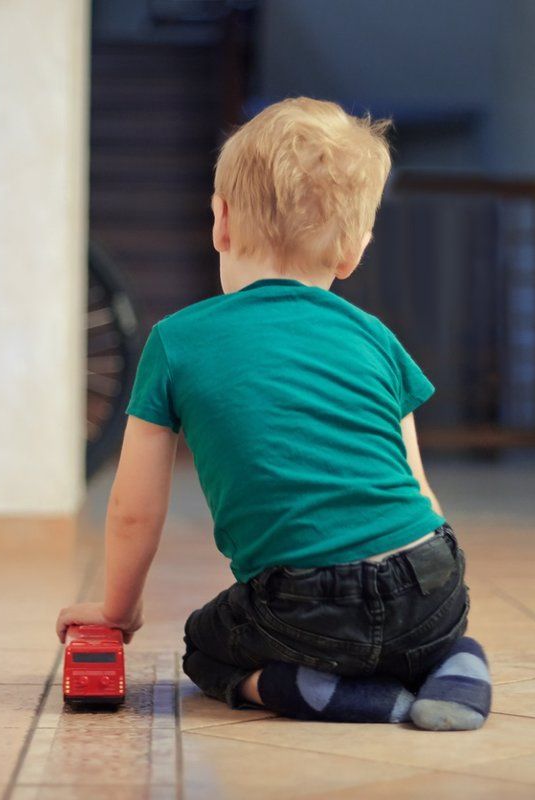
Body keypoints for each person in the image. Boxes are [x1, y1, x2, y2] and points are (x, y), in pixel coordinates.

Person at [56, 97, 491, 730]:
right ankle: (454, 663)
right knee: (431, 634)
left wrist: (117, 611)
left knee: (206, 646)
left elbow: (133, 509)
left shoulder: (177, 342)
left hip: (302, 605)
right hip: (430, 582)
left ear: (220, 222)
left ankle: (320, 690)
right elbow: (417, 488)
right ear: (353, 251)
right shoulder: (375, 338)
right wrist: (424, 594)